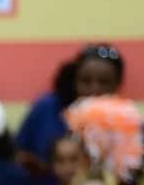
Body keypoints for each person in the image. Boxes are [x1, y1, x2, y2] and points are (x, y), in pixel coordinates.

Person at [16, 44, 125, 173]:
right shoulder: (47, 107)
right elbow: (19, 154)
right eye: (85, 81)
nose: (94, 90)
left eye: (104, 82)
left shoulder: (128, 120)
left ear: (117, 84)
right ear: (75, 80)